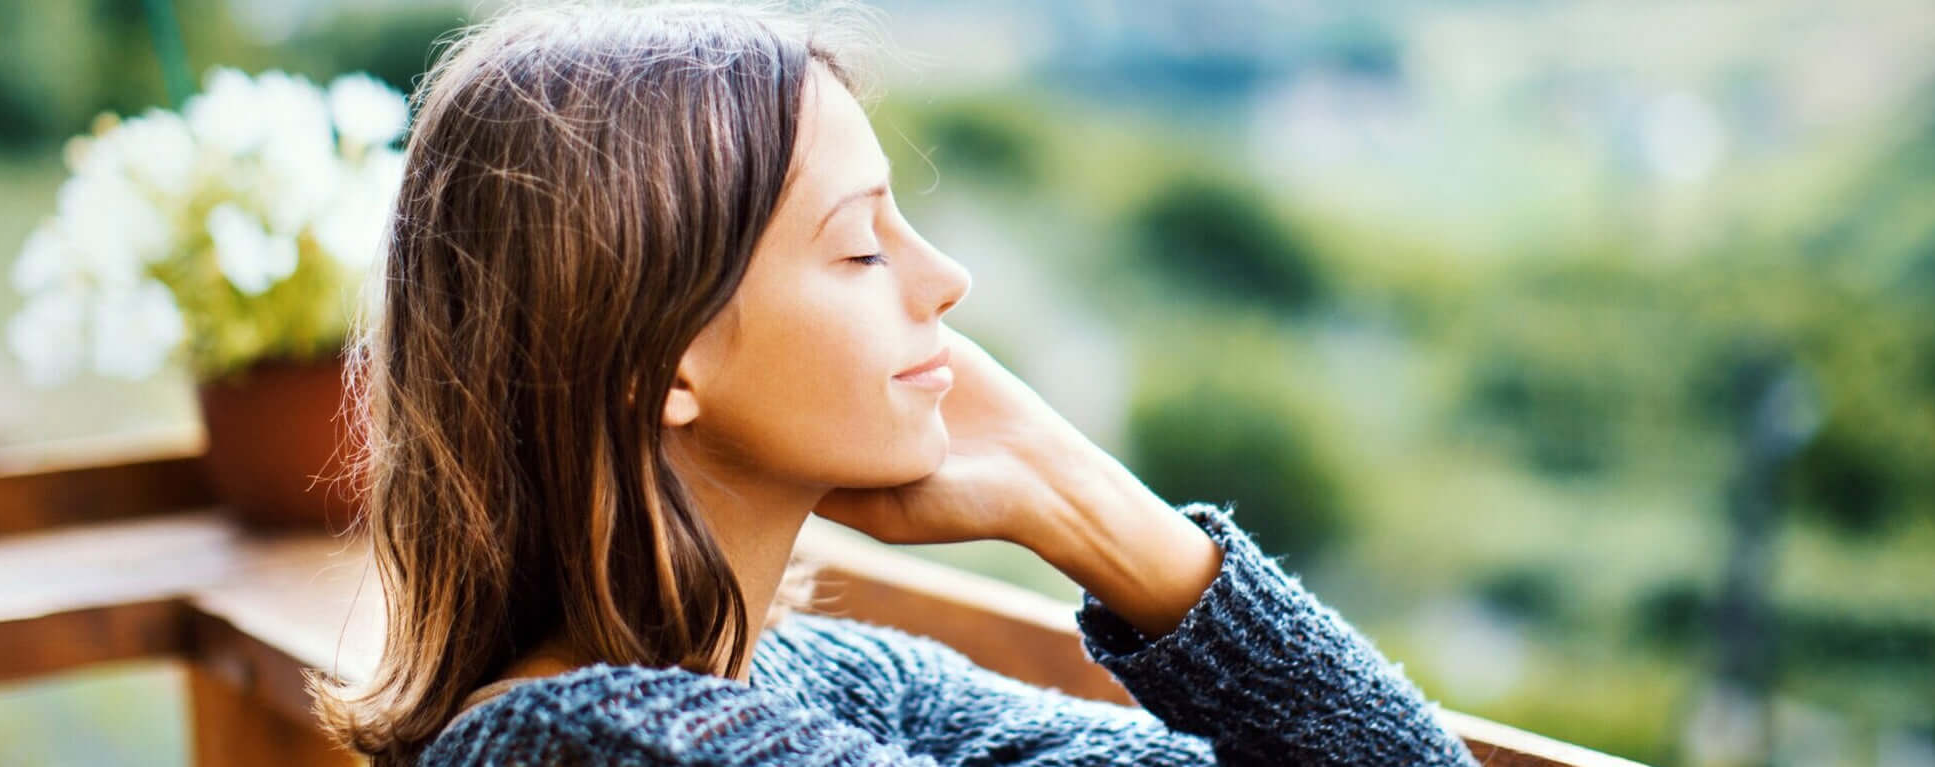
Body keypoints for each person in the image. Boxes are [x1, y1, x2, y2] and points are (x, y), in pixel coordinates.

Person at [307, 2, 1481, 764]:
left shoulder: (810, 677)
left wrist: (1067, 493)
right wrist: (1078, 498)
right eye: (861, 246)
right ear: (663, 358)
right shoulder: (586, 748)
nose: (947, 278)